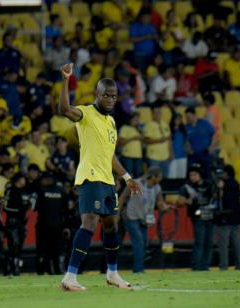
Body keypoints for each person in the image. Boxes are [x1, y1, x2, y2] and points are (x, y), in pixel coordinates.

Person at [58, 63, 142, 291]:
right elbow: (64, 109)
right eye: (107, 95)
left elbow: (110, 154)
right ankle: (70, 277)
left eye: (114, 96)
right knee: (90, 222)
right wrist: (66, 80)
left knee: (112, 225)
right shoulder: (86, 113)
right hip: (90, 177)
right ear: (98, 94)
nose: (111, 99)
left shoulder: (111, 122)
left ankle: (112, 273)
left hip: (107, 181)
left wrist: (126, 177)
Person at [119, 166, 167, 273]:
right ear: (153, 176)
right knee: (139, 241)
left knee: (144, 243)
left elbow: (160, 201)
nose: (160, 179)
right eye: (159, 177)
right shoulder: (135, 183)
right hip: (131, 216)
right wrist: (117, 213)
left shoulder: (157, 187)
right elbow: (122, 197)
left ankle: (139, 267)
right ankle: (139, 269)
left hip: (145, 218)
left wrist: (163, 206)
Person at [177, 164, 216, 271]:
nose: (192, 177)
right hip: (198, 218)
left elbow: (216, 196)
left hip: (210, 217)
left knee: (209, 243)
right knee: (199, 242)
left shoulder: (209, 185)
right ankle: (196, 266)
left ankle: (206, 266)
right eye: (190, 175)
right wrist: (186, 200)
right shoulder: (187, 187)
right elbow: (179, 202)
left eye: (194, 175)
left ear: (200, 175)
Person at [35, 172, 66, 275]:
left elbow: (36, 208)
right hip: (57, 226)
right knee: (57, 251)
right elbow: (65, 209)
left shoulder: (41, 191)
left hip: (43, 226)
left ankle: (42, 271)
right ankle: (57, 271)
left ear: (47, 179)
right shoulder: (61, 191)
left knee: (43, 251)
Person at [214, 165, 240, 271]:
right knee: (236, 243)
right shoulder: (236, 184)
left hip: (225, 218)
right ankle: (239, 265)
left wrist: (221, 189)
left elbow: (223, 201)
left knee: (223, 244)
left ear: (226, 173)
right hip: (236, 218)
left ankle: (223, 266)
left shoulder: (225, 185)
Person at [3, 173, 31, 276]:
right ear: (18, 179)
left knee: (19, 247)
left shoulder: (24, 192)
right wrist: (19, 210)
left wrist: (28, 206)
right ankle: (9, 268)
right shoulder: (10, 190)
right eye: (23, 179)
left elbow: (26, 208)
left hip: (21, 223)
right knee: (13, 246)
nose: (25, 181)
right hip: (12, 222)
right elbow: (5, 207)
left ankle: (16, 268)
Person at [185, 107, 216, 179]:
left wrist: (211, 147)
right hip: (193, 155)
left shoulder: (204, 123)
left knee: (207, 173)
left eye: (189, 117)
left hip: (205, 153)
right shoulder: (186, 127)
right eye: (186, 117)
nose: (187, 119)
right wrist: (189, 149)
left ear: (194, 115)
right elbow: (186, 141)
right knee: (192, 173)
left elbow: (214, 135)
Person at [143, 103, 172, 177]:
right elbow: (146, 141)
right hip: (154, 157)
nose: (158, 114)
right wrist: (159, 140)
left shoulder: (165, 124)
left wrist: (171, 153)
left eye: (159, 112)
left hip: (165, 157)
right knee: (153, 178)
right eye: (156, 112)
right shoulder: (148, 125)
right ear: (152, 114)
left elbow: (169, 140)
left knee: (165, 179)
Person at [118, 112, 143, 178]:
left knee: (137, 176)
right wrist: (133, 138)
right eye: (135, 119)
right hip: (128, 156)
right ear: (130, 119)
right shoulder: (125, 128)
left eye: (138, 120)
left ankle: (137, 188)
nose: (137, 121)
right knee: (128, 176)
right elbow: (121, 142)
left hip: (138, 156)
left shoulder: (138, 129)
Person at [168, 112, 188, 179]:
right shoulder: (169, 130)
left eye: (179, 119)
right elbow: (169, 143)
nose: (178, 121)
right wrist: (171, 153)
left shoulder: (183, 130)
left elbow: (185, 142)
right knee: (172, 176)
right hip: (173, 156)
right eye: (176, 119)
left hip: (182, 156)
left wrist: (187, 149)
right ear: (173, 120)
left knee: (182, 176)